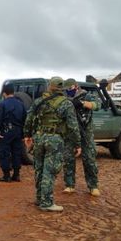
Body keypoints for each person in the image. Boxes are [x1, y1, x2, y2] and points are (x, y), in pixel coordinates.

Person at [23, 77, 81, 212]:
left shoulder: (38, 101)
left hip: (39, 137)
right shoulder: (66, 104)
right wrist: (77, 144)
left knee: (39, 169)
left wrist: (27, 135)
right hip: (55, 140)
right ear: (62, 88)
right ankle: (47, 202)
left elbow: (29, 119)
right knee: (49, 171)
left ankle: (39, 198)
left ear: (50, 86)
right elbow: (73, 126)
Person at [62, 78, 101, 196]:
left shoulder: (86, 95)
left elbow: (97, 105)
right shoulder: (65, 99)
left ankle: (93, 186)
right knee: (68, 159)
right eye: (66, 89)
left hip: (86, 133)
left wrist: (83, 103)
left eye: (70, 88)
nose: (68, 91)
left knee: (89, 160)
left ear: (76, 86)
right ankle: (69, 185)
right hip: (71, 133)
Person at [0, 83, 26, 182]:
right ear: (13, 92)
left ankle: (6, 176)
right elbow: (25, 119)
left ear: (4, 93)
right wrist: (24, 134)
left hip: (6, 131)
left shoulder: (2, 104)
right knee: (17, 152)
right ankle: (16, 175)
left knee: (5, 152)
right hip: (18, 131)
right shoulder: (21, 104)